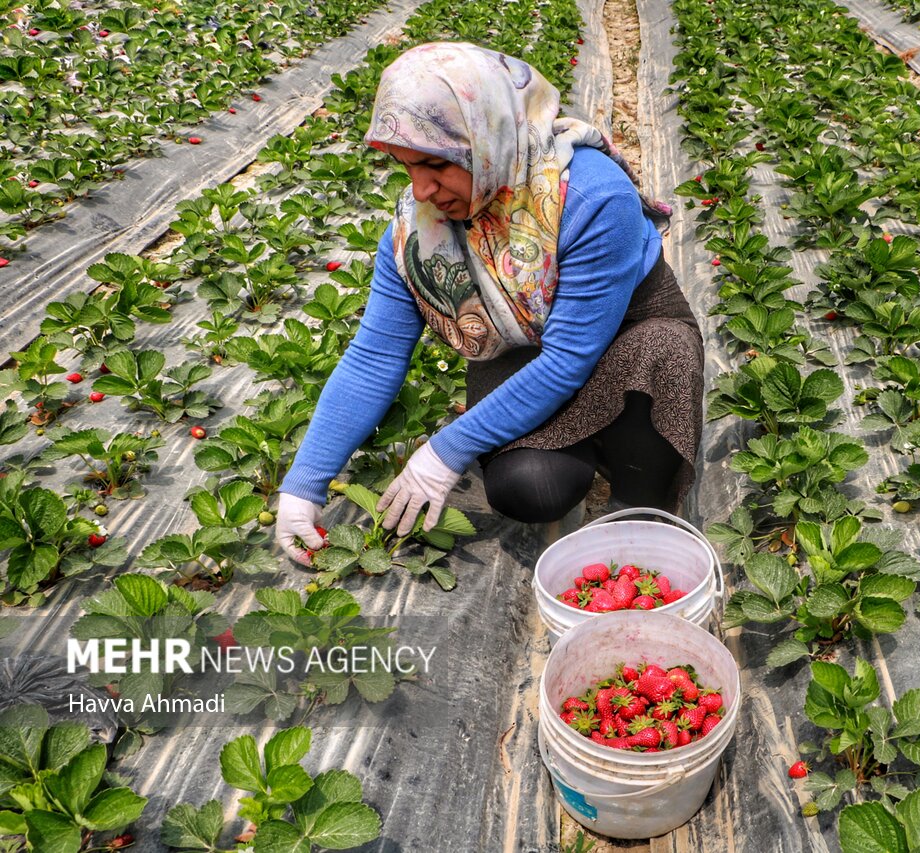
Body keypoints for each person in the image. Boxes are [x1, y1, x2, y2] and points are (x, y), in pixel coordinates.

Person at [273, 42, 705, 566]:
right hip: (523, 356)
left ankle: (640, 505)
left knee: (663, 354)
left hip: (628, 342)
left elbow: (569, 358)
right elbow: (375, 355)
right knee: (531, 490)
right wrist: (305, 484)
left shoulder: (591, 197)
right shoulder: (418, 231)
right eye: (407, 167)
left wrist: (442, 452)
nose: (423, 189)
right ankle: (588, 451)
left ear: (488, 137)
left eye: (437, 164)